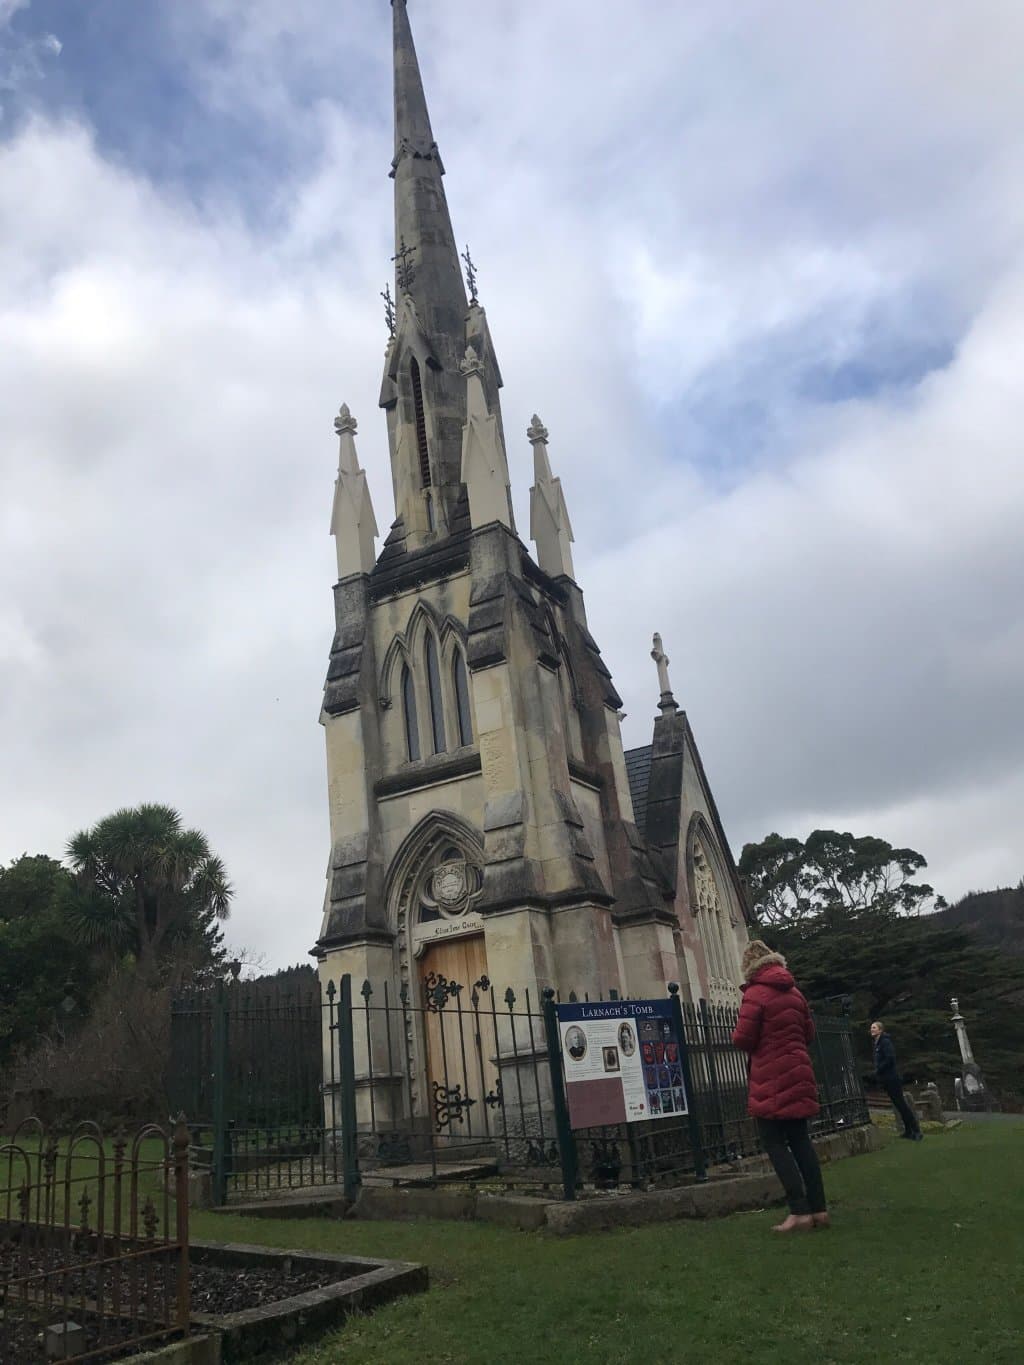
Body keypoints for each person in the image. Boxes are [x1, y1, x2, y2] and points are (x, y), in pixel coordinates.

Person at [732, 940, 827, 1233]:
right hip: (799, 1072)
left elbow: (743, 1039)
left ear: (749, 966)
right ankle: (819, 1209)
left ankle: (798, 1210)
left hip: (771, 1076)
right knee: (800, 1142)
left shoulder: (755, 994)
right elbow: (808, 1032)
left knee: (774, 1142)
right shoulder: (795, 993)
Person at [870, 1021, 923, 1140]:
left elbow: (890, 1058)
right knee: (898, 1105)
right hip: (886, 1079)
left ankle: (916, 1130)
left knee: (902, 1105)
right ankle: (908, 1131)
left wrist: (879, 1070)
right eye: (871, 1028)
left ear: (880, 1030)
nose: (872, 1030)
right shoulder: (877, 1043)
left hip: (892, 1078)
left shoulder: (885, 1042)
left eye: (874, 1028)